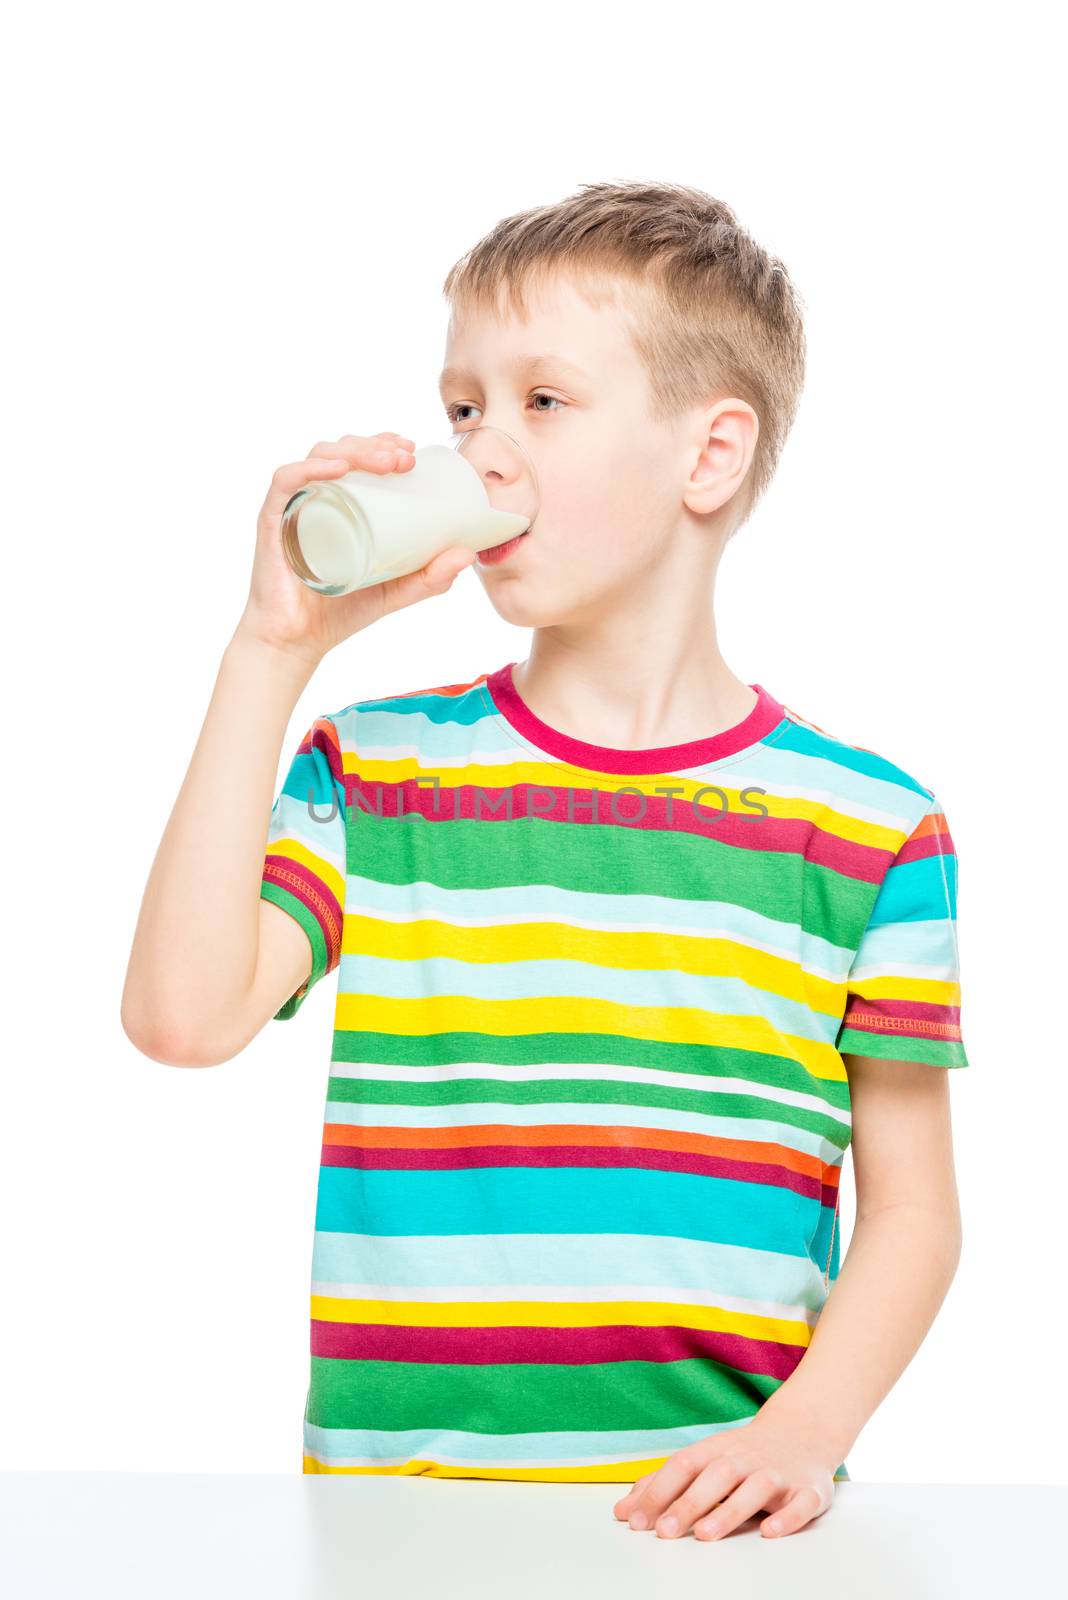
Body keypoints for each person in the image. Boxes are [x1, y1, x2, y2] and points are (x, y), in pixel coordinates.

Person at [121, 180, 969, 1543]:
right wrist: (269, 652)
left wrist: (804, 1435)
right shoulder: (381, 772)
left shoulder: (870, 828)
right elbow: (180, 1017)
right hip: (403, 1535)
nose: (481, 450)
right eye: (463, 407)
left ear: (710, 455)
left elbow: (915, 1207)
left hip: (720, 1537)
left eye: (543, 402)